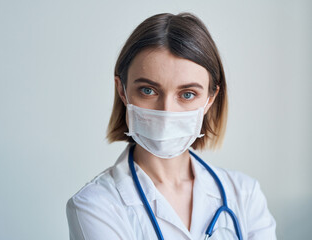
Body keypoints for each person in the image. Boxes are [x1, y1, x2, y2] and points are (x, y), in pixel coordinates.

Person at [66, 12, 276, 240]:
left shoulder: (245, 195)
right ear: (122, 91)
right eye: (148, 90)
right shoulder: (94, 206)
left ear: (210, 99)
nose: (167, 112)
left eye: (187, 94)